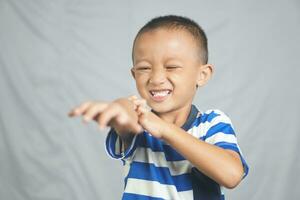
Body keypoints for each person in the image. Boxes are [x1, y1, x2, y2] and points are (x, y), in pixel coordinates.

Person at [69, 15, 249, 200]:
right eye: (144, 68)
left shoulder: (212, 123)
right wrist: (118, 108)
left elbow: (232, 175)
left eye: (171, 67)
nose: (156, 78)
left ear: (202, 75)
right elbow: (127, 112)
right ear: (134, 74)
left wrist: (165, 130)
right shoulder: (140, 124)